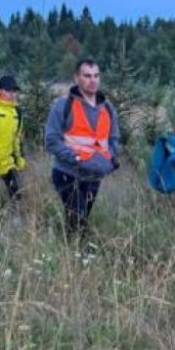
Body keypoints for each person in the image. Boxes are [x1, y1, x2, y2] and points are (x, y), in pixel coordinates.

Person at [45, 59, 120, 241]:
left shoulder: (108, 108)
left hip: (94, 175)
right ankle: (75, 257)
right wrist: (77, 158)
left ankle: (74, 254)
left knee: (82, 218)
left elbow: (114, 139)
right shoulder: (63, 105)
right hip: (67, 173)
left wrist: (109, 161)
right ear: (76, 77)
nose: (92, 80)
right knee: (77, 218)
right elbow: (51, 140)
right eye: (87, 76)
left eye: (96, 75)